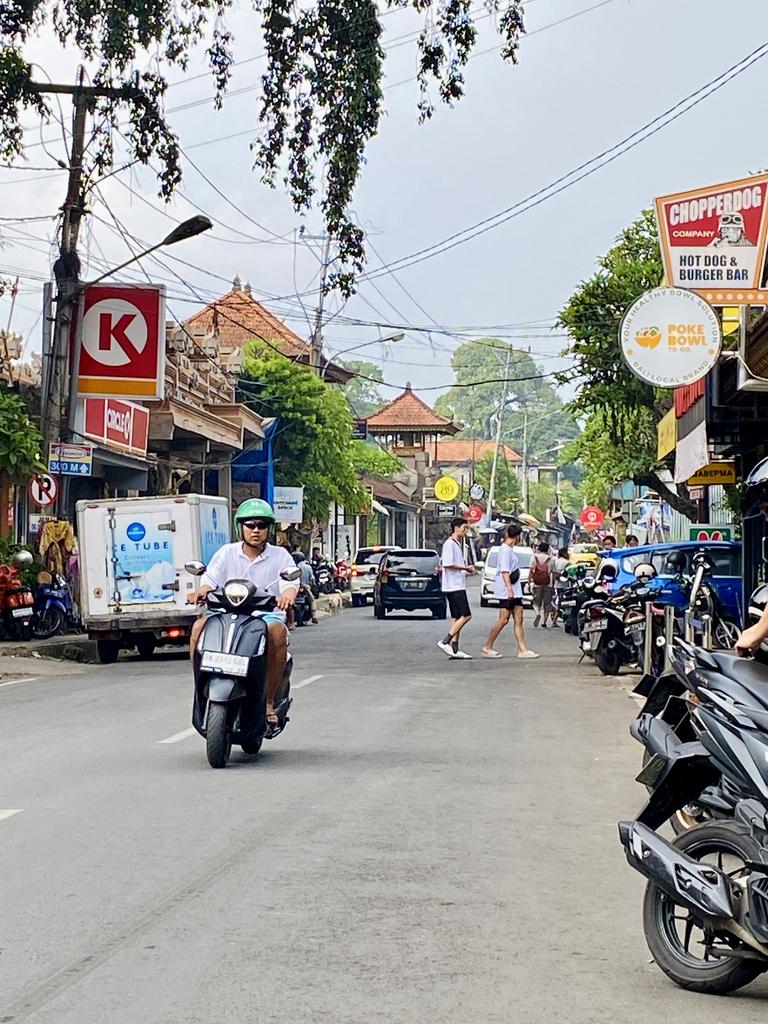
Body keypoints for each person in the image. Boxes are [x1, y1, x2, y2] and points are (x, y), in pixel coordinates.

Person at [187, 499, 297, 730]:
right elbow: (210, 580)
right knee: (198, 628)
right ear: (241, 528)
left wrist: (287, 595)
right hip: (227, 613)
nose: (255, 530)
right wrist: (201, 592)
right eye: (250, 524)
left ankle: (268, 701)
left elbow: (290, 583)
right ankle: (200, 690)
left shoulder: (280, 556)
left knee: (276, 631)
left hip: (264, 616)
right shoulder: (226, 553)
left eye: (261, 525)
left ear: (269, 529)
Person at [481, 525, 539, 660]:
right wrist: (509, 589)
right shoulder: (504, 550)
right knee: (503, 620)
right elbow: (505, 571)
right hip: (507, 590)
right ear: (518, 537)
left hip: (515, 589)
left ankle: (522, 649)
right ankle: (488, 646)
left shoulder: (510, 550)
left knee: (519, 619)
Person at [437, 516, 476, 660]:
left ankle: (454, 649)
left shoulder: (458, 544)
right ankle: (445, 641)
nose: (465, 531)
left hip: (456, 584)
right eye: (464, 528)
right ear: (456, 528)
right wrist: (465, 568)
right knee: (466, 615)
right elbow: (447, 563)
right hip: (454, 586)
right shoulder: (450, 544)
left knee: (456, 617)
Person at [530, 541, 554, 628]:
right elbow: (553, 572)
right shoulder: (551, 559)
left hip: (537, 583)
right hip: (548, 583)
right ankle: (544, 622)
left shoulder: (535, 557)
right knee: (547, 603)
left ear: (539, 549)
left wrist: (529, 581)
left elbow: (531, 571)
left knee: (536, 602)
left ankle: (537, 613)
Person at [293, 550, 319, 624]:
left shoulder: (294, 567)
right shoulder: (308, 567)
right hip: (306, 587)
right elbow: (312, 578)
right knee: (312, 601)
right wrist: (314, 585)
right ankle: (314, 616)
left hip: (295, 587)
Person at [550, 546, 570, 627]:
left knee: (558, 600)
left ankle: (554, 615)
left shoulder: (556, 561)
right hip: (564, 585)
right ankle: (554, 620)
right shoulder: (567, 563)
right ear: (565, 553)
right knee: (562, 603)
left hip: (556, 584)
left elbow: (553, 573)